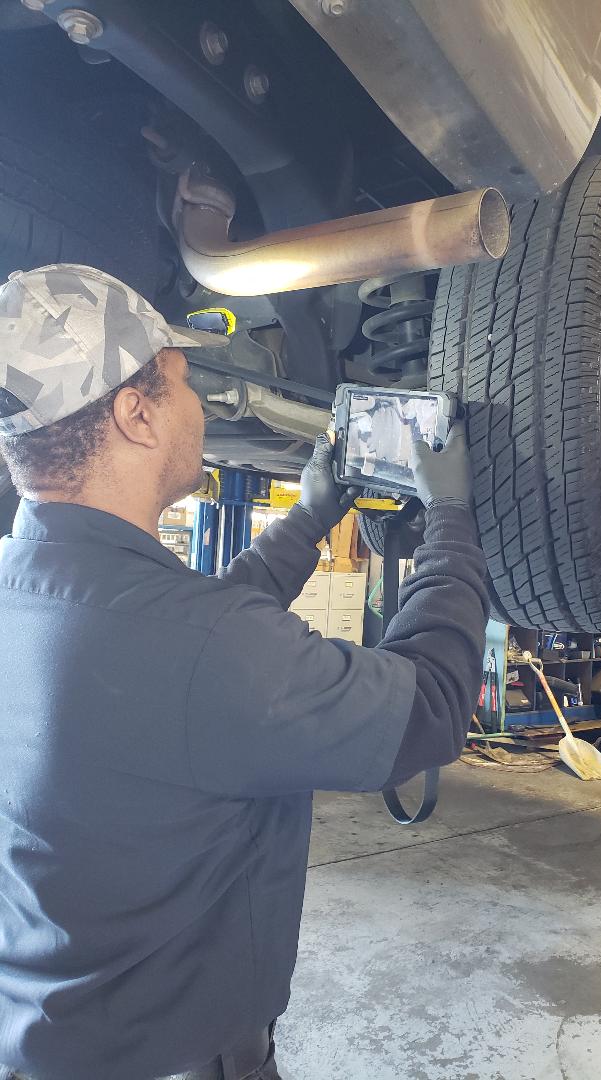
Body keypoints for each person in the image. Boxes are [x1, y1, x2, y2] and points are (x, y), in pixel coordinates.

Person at [0, 265, 489, 1080]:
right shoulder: (197, 647)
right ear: (136, 414)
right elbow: (433, 704)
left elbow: (185, 656)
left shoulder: (29, 593)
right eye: (184, 383)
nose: (201, 406)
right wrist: (452, 519)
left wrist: (309, 518)